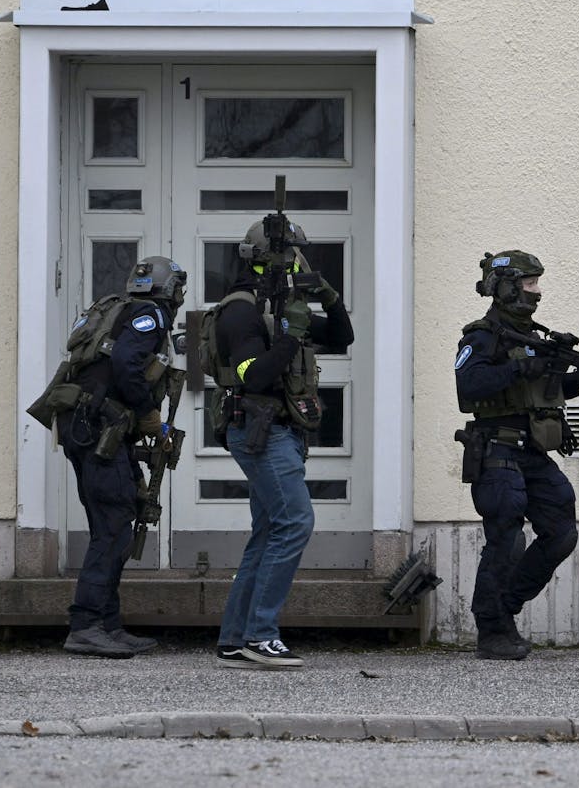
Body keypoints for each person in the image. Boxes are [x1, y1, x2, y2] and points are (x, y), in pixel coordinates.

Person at [204, 216, 352, 670]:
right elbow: (255, 373)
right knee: (295, 523)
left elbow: (343, 337)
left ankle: (235, 640)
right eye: (289, 257)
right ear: (264, 261)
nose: (296, 263)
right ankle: (260, 636)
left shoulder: (283, 308)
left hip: (280, 429)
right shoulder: (241, 309)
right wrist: (289, 335)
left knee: (269, 532)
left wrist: (329, 297)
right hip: (259, 429)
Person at [454, 250, 579, 660]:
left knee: (561, 532)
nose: (537, 292)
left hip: (532, 451)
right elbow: (468, 386)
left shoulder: (533, 337)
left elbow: (542, 392)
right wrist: (517, 368)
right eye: (529, 283)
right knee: (505, 538)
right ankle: (491, 632)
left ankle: (504, 607)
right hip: (496, 449)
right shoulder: (482, 336)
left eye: (537, 283)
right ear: (506, 287)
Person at [41, 256, 186, 659]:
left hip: (84, 427)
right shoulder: (150, 314)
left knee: (109, 526)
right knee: (115, 527)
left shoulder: (119, 309)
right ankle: (86, 625)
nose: (179, 298)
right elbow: (126, 364)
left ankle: (107, 625)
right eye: (178, 289)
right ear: (168, 289)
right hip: (99, 427)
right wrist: (149, 415)